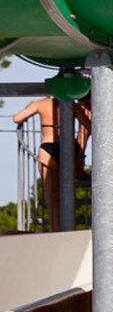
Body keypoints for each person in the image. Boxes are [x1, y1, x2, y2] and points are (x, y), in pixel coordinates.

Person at [11, 95, 89, 232]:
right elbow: (88, 126)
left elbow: (17, 118)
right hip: (70, 148)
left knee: (52, 196)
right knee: (67, 194)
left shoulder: (41, 104)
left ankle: (57, 230)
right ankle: (69, 229)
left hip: (49, 147)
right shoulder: (74, 106)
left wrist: (26, 118)